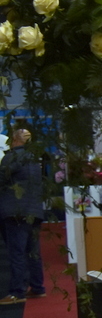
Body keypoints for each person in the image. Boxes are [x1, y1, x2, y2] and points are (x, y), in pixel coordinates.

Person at [0, 127, 46, 304]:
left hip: (16, 211)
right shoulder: (34, 159)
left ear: (14, 139)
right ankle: (37, 287)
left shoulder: (12, 157)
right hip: (34, 210)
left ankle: (17, 291)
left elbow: (2, 179)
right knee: (33, 251)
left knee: (17, 252)